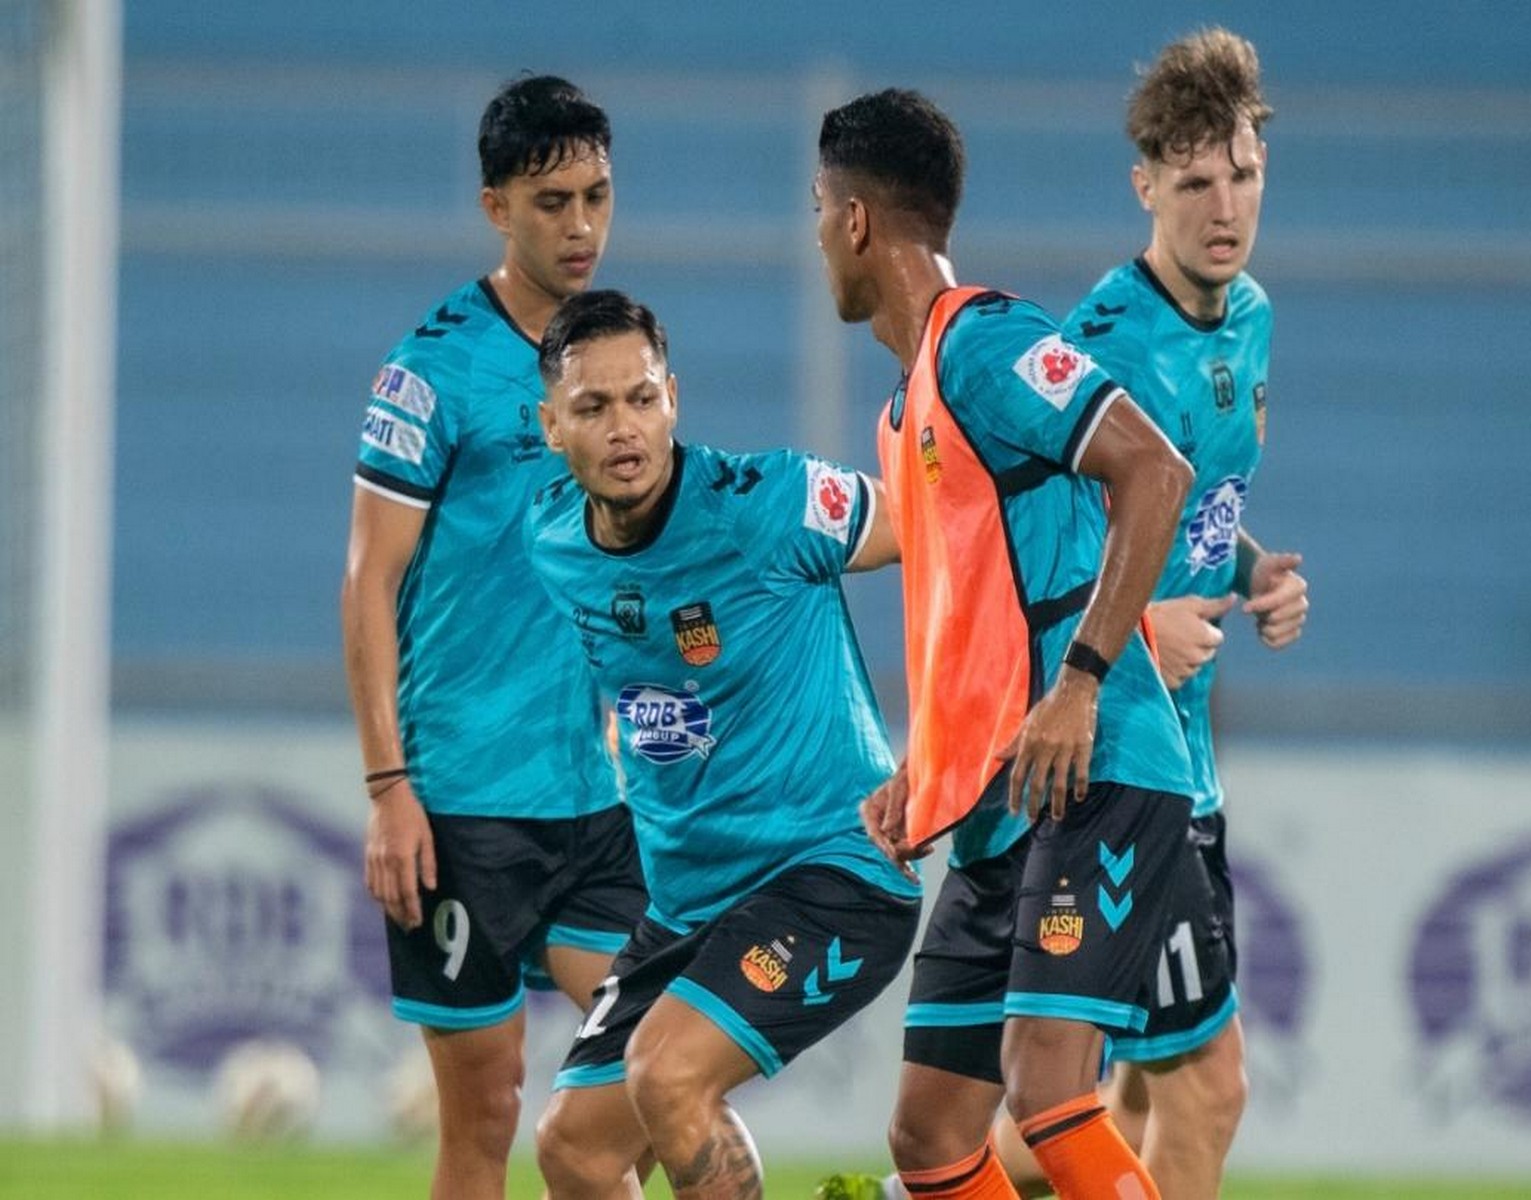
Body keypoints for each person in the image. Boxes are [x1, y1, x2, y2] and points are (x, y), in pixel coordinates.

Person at [814, 88, 1220, 1200]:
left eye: (817, 211)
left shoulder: (987, 344)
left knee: (1046, 1091)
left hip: (1095, 762)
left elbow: (1154, 471)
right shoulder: (904, 418)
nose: (817, 239)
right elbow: (969, 628)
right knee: (931, 1139)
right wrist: (921, 771)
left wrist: (1083, 681)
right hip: (999, 802)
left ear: (853, 223)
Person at [985, 30, 1310, 1200]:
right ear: (1145, 188)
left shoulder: (1252, 316)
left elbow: (1195, 501)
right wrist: (1130, 634)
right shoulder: (1104, 346)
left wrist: (1254, 570)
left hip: (1188, 756)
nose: (1224, 207)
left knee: (1115, 1095)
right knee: (1199, 1086)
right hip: (1119, 758)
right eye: (1194, 183)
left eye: (1243, 174)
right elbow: (1025, 541)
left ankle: (918, 1182)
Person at [525, 289, 922, 1199]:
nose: (624, 427)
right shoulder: (551, 538)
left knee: (668, 1075)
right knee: (573, 1150)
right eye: (592, 407)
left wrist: (941, 745)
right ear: (552, 426)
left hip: (832, 874)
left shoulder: (767, 504)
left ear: (676, 399)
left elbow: (937, 538)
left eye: (642, 398)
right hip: (686, 907)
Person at [340, 76, 648, 1200]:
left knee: (658, 1076)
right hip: (463, 798)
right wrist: (388, 788)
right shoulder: (432, 369)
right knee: (486, 1111)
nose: (581, 227)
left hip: (595, 793)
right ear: (494, 208)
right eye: (552, 200)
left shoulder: (615, 366)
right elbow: (367, 583)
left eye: (598, 197)